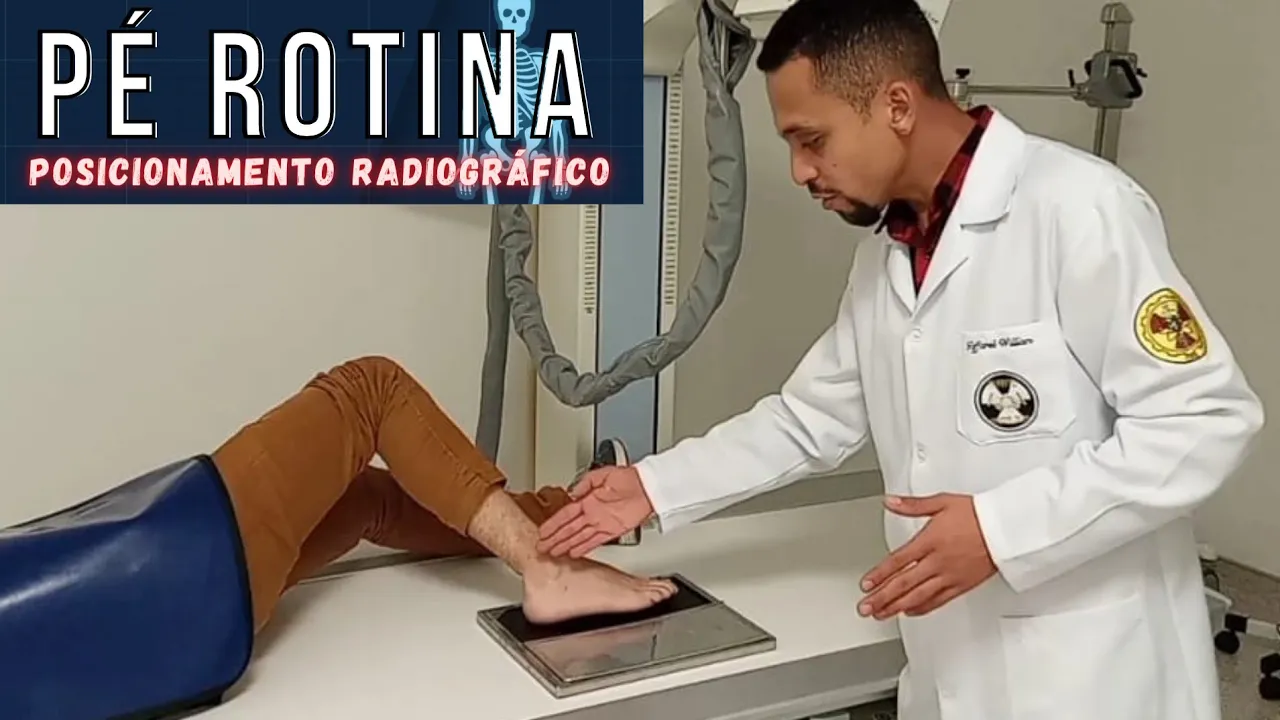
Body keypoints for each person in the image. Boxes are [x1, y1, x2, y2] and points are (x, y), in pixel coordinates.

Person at [535, 0, 1265, 718]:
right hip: (951, 669)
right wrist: (653, 486)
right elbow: (808, 419)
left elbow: (1204, 420)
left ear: (897, 105)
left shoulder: (1079, 208)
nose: (799, 171)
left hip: (1094, 677)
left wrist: (1002, 531)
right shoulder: (891, 253)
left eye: (812, 140)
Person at [210, 355, 675, 636]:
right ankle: (547, 568)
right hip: (190, 590)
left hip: (197, 624)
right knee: (372, 389)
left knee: (362, 499)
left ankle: (575, 517)